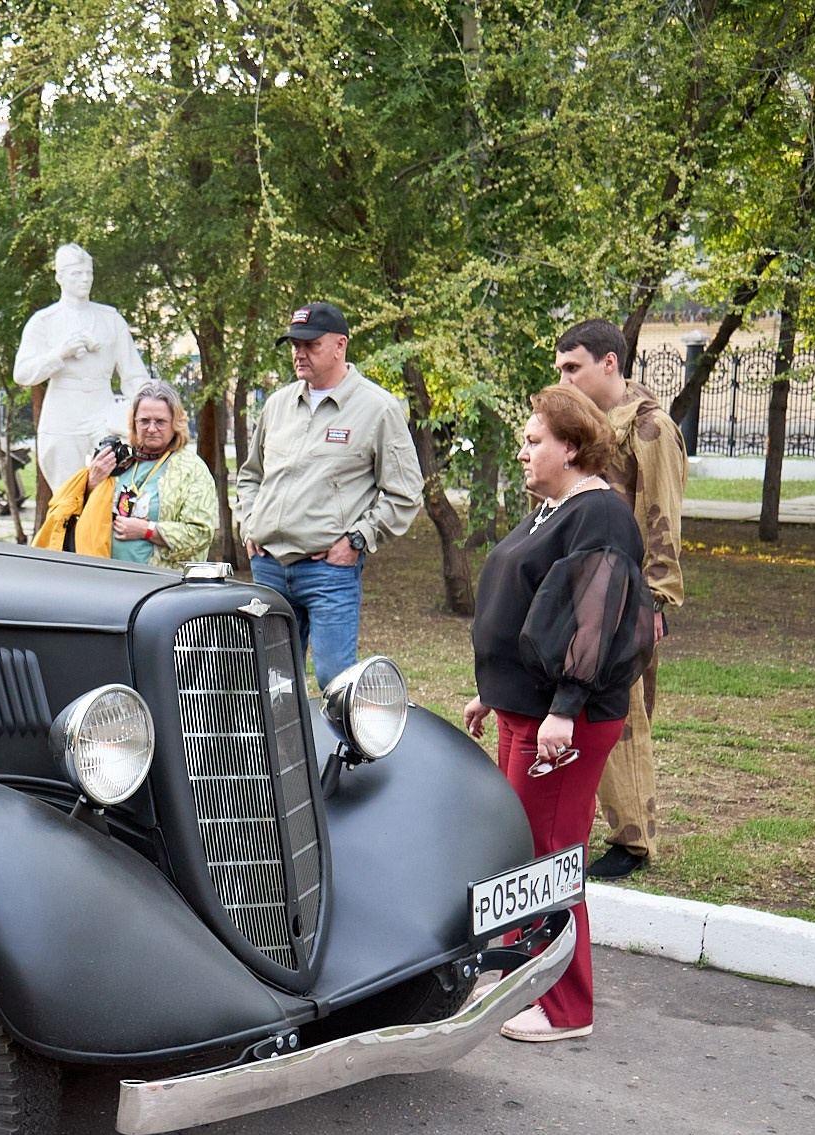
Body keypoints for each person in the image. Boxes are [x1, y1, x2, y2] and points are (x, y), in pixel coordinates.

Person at [462, 385, 655, 1044]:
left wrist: (564, 707)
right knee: (520, 853)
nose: (522, 451)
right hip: (528, 709)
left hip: (563, 718)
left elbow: (592, 621)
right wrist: (494, 689)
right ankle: (523, 973)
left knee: (548, 858)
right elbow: (529, 609)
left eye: (533, 439)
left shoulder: (599, 514)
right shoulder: (553, 510)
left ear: (570, 446)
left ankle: (568, 1006)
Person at [553, 319, 687, 880]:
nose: (563, 379)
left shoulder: (650, 427)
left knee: (624, 715)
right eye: (560, 369)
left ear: (609, 362)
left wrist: (653, 602)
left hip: (627, 595)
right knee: (584, 710)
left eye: (572, 368)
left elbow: (660, 518)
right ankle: (583, 825)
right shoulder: (587, 425)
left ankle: (633, 840)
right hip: (582, 589)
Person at [236, 302, 424, 688]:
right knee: (269, 682)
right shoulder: (277, 405)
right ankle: (283, 751)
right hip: (268, 567)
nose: (299, 353)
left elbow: (405, 493)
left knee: (335, 682)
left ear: (340, 345)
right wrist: (248, 524)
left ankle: (347, 751)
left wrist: (358, 539)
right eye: (293, 345)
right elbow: (251, 475)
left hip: (328, 572)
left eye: (310, 344)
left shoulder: (378, 409)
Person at [12, 244, 148, 532]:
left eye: (88, 273)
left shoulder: (110, 318)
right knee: (67, 501)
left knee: (110, 496)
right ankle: (68, 561)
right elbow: (23, 373)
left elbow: (134, 375)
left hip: (102, 409)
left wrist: (149, 413)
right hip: (63, 413)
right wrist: (59, 353)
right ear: (60, 277)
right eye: (76, 273)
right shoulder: (45, 322)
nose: (84, 279)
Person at [31, 379, 218, 570]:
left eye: (160, 422)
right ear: (134, 422)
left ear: (175, 423)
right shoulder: (119, 461)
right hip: (105, 579)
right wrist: (92, 484)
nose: (152, 429)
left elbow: (200, 534)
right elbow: (71, 517)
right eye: (144, 421)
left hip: (160, 585)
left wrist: (148, 530)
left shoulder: (191, 469)